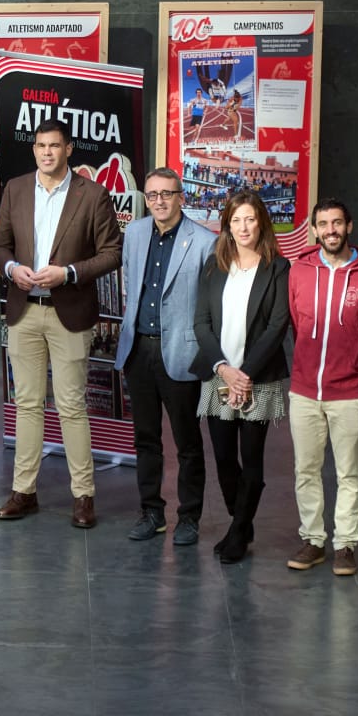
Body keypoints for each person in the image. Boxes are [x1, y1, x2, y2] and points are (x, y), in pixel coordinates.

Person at [0, 118, 122, 528]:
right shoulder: (15, 189)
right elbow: (0, 245)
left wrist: (69, 273)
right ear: (34, 150)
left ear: (68, 149)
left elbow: (112, 252)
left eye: (54, 145)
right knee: (27, 404)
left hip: (70, 312)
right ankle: (23, 492)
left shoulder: (92, 194)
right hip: (24, 309)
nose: (46, 152)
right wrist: (11, 268)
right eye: (40, 145)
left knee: (71, 406)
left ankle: (83, 496)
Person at [114, 167, 216, 544]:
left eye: (167, 194)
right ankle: (151, 513)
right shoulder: (135, 233)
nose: (159, 201)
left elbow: (209, 305)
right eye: (153, 195)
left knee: (187, 443)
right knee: (145, 438)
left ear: (181, 197)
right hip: (139, 348)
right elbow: (131, 284)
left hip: (182, 353)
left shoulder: (204, 241)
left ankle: (188, 518)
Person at [191, 190, 290, 564]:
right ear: (227, 226)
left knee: (251, 458)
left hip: (257, 378)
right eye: (236, 220)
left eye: (250, 219)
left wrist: (244, 375)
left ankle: (238, 532)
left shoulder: (277, 268)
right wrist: (224, 369)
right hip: (219, 374)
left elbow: (277, 326)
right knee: (223, 459)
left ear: (261, 223)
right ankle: (241, 521)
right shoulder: (214, 266)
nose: (243, 227)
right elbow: (201, 323)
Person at [285, 198, 358, 576]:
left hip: (349, 392)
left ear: (349, 226)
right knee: (306, 470)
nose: (331, 230)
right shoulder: (299, 272)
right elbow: (297, 323)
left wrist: (354, 366)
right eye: (323, 224)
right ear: (314, 229)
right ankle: (313, 540)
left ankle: (345, 545)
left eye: (337, 223)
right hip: (304, 390)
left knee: (349, 473)